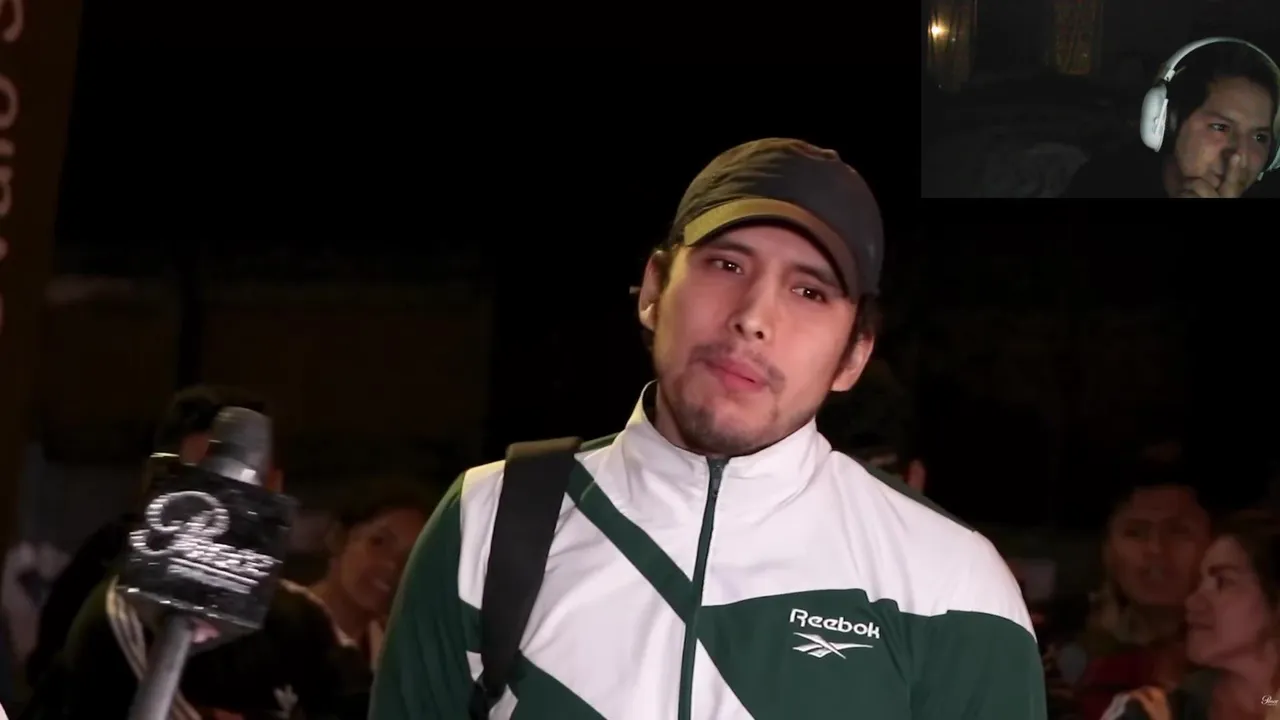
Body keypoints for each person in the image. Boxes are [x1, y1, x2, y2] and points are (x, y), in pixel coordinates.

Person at [372, 138, 1046, 718]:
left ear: (854, 355)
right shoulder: (490, 517)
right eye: (727, 265)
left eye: (809, 291)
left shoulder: (952, 582)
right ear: (653, 289)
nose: (753, 316)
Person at [21, 394, 372, 720]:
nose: (220, 502)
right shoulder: (123, 608)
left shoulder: (304, 620)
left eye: (242, 484)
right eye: (202, 481)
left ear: (273, 488)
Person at [25, 384, 271, 687]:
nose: (219, 508)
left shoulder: (286, 612)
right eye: (201, 483)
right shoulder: (110, 566)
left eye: (240, 488)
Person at [1048, 462, 1211, 720]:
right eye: (1135, 532)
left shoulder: (1244, 660)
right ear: (1108, 552)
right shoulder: (1060, 651)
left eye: (1178, 531)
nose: (1156, 549)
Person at [1100, 510, 1280, 719]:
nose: (1193, 602)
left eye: (1223, 582)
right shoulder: (1149, 712)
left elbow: (1269, 700)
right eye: (1199, 583)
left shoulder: (1271, 701)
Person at [1064, 38, 1279, 198]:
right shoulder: (1103, 182)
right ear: (1168, 122)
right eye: (1220, 127)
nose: (1239, 156)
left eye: (1259, 138)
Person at [297, 482, 429, 671]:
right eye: (379, 542)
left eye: (410, 557)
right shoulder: (275, 629)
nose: (392, 566)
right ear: (338, 538)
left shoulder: (396, 655)